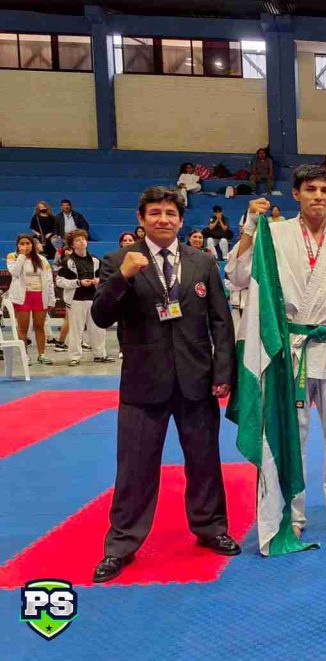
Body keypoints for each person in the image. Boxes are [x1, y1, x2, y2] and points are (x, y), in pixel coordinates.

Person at [90, 186, 239, 582]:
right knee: (135, 468)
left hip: (196, 378)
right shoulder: (118, 260)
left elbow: (221, 321)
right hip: (143, 382)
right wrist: (122, 278)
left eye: (170, 213)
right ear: (141, 219)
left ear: (180, 219)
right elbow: (102, 316)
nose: (163, 219)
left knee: (205, 461)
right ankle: (121, 544)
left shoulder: (202, 262)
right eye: (154, 213)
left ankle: (211, 528)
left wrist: (223, 372)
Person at [231, 165, 326, 552]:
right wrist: (249, 227)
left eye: (325, 190)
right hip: (292, 351)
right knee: (291, 437)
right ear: (296, 194)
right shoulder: (275, 233)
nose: (318, 195)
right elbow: (238, 274)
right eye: (310, 189)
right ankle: (291, 513)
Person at [56, 230, 113, 366]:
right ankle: (74, 356)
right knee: (76, 329)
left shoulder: (95, 260)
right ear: (72, 245)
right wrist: (77, 283)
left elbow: (104, 277)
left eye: (83, 239)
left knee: (98, 328)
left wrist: (97, 281)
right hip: (75, 299)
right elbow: (59, 281)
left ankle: (100, 354)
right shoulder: (67, 261)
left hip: (94, 298)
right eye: (77, 240)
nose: (81, 242)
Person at [7, 234, 56, 364]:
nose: (25, 246)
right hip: (21, 297)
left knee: (40, 326)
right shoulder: (12, 257)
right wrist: (22, 256)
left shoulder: (42, 259)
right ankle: (25, 356)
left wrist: (51, 299)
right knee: (23, 328)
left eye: (28, 244)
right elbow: (15, 272)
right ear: (18, 245)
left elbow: (49, 280)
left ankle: (42, 355)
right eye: (22, 244)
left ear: (32, 245)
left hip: (40, 296)